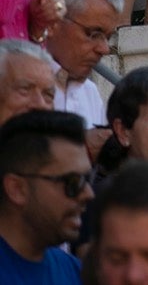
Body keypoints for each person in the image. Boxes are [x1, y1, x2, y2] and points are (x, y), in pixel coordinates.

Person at [0, 110, 88, 283]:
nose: (88, 194)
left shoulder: (74, 271)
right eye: (72, 182)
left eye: (88, 179)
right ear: (17, 189)